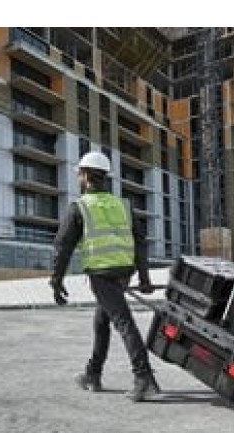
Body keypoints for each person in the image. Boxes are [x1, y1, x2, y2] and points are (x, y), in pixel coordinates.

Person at [50, 151, 160, 402]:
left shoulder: (80, 207)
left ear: (87, 176)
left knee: (123, 323)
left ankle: (144, 379)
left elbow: (62, 247)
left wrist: (56, 280)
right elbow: (140, 242)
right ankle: (93, 374)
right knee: (102, 322)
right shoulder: (123, 205)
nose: (78, 176)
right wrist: (143, 277)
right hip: (123, 273)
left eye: (79, 172)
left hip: (102, 275)